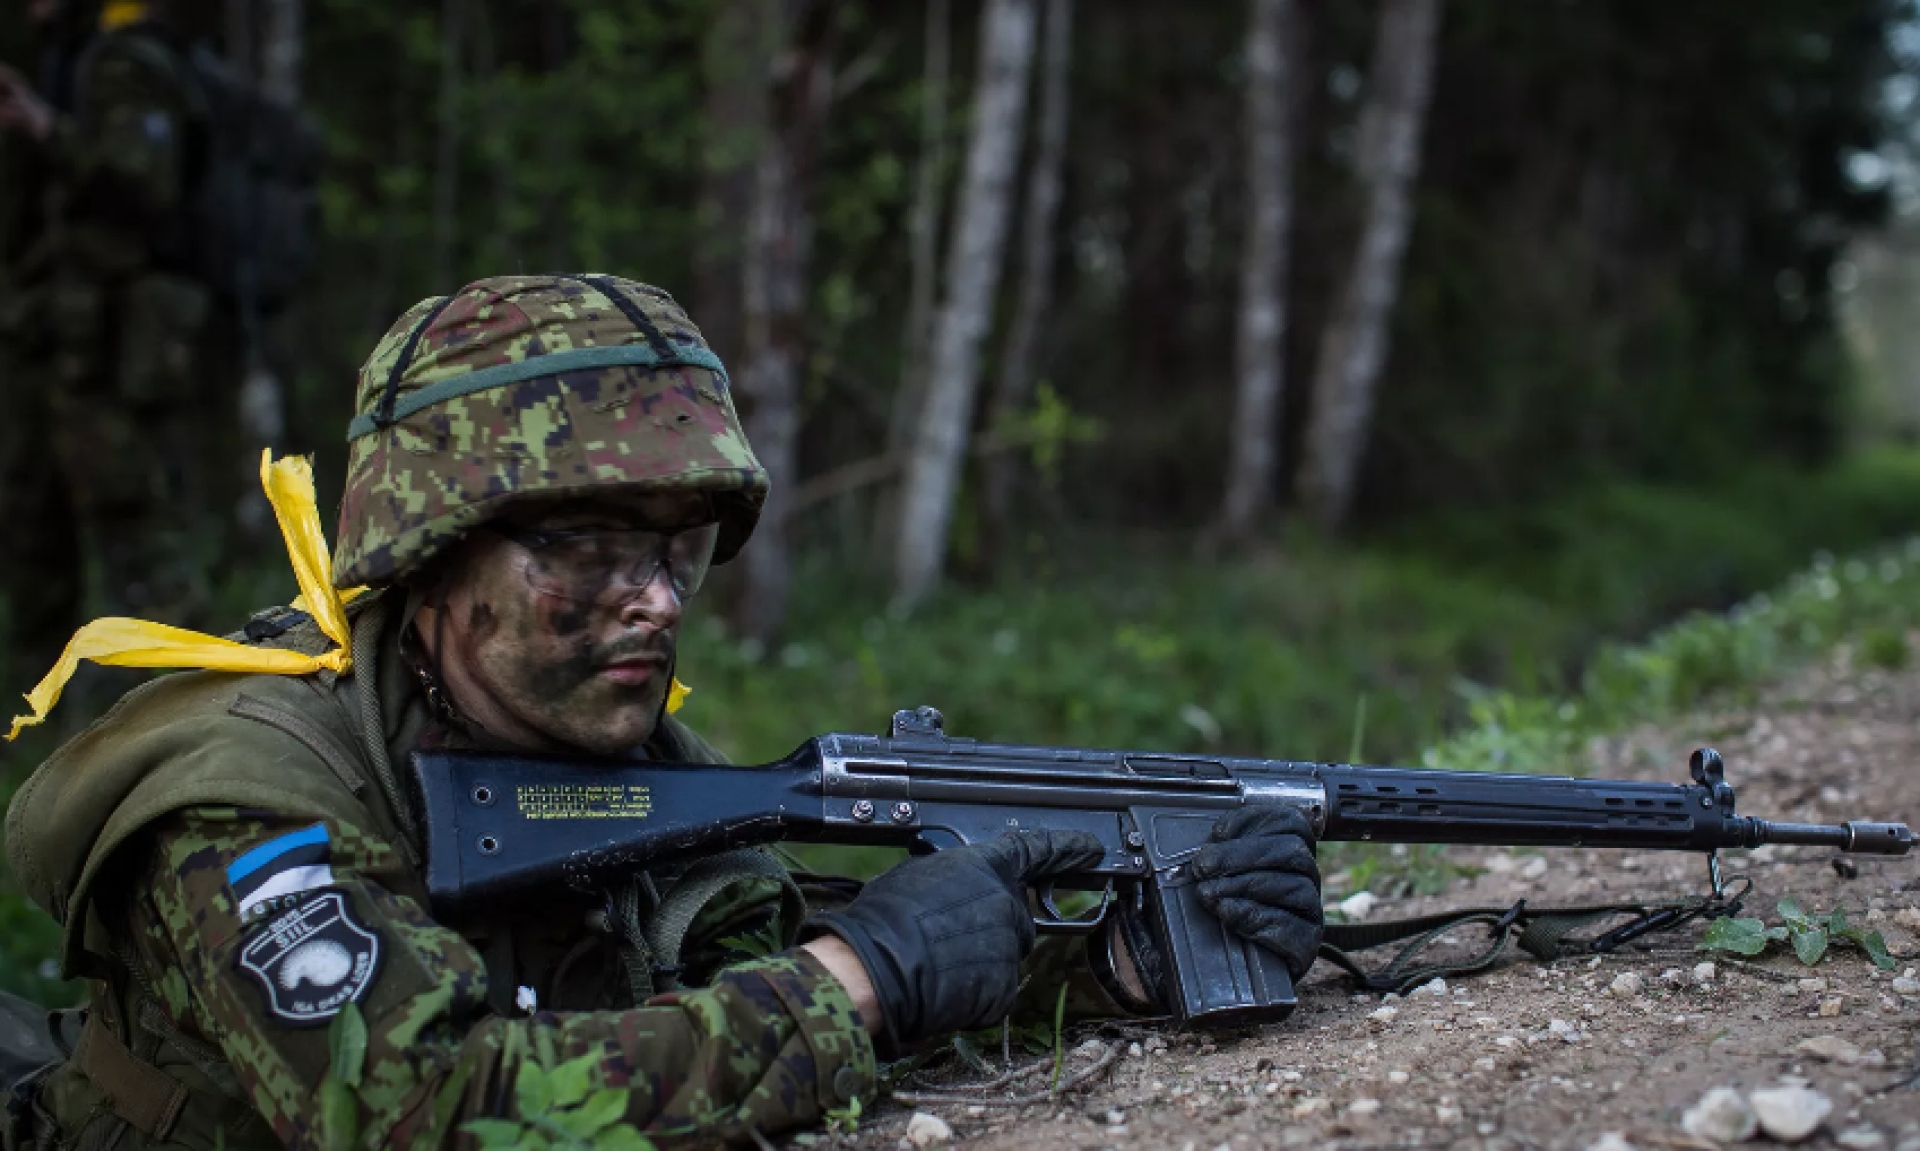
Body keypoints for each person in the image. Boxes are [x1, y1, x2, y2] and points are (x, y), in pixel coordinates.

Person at [3, 274, 1324, 1149]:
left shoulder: (622, 751)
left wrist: (1103, 964)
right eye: (585, 551)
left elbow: (731, 973)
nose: (650, 603)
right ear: (428, 560)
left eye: (678, 551)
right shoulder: (249, 795)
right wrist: (864, 976)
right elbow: (427, 1104)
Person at [0, 0, 243, 694]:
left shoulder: (125, 60)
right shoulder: (65, 60)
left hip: (112, 351)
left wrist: (48, 131)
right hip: (50, 345)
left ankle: (185, 717)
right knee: (32, 533)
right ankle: (33, 723)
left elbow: (143, 182)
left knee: (139, 530)